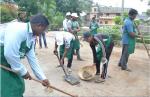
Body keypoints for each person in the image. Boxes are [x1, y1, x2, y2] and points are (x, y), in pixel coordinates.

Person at [0, 14, 50, 97]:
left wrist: (42, 78)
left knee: (19, 87)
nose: (43, 33)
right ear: (39, 26)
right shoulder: (18, 29)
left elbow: (32, 59)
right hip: (2, 65)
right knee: (9, 91)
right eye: (44, 30)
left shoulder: (31, 37)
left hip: (11, 65)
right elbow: (9, 54)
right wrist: (23, 71)